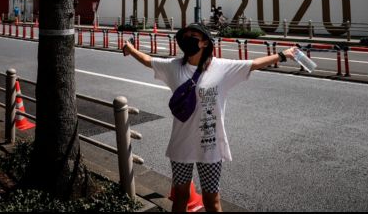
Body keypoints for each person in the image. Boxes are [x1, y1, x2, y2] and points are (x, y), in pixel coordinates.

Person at [122, 22, 296, 212]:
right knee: (180, 196)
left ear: (205, 43)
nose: (188, 39)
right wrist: (130, 48)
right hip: (182, 145)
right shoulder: (174, 67)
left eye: (193, 36)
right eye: (185, 36)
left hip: (210, 146)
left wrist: (281, 55)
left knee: (211, 199)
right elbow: (148, 60)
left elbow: (253, 64)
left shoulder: (222, 67)